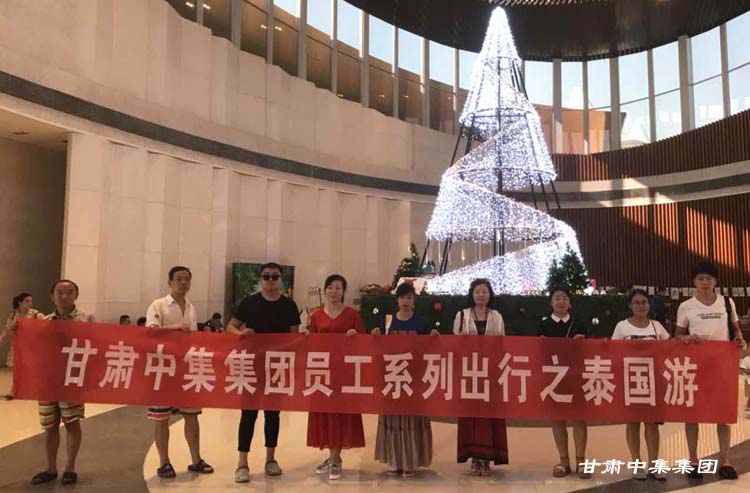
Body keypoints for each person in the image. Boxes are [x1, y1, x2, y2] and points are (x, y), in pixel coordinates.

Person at [226, 262, 300, 483]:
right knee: (248, 414)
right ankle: (242, 463)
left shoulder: (289, 305)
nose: (270, 280)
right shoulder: (249, 302)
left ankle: (270, 459)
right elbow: (230, 326)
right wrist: (240, 333)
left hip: (276, 367)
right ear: (260, 279)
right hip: (251, 366)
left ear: (281, 280)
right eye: (266, 276)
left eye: (274, 277)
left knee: (273, 414)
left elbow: (294, 337)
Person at [675, 261, 745, 480]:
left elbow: (736, 329)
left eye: (709, 278)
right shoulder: (686, 306)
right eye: (700, 278)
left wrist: (739, 338)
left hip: (722, 366)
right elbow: (677, 335)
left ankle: (725, 460)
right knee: (692, 414)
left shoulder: (727, 302)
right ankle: (693, 460)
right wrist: (687, 338)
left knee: (723, 414)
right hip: (695, 366)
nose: (705, 282)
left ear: (715, 281)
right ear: (694, 281)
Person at [145, 266, 214, 479]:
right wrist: (174, 328)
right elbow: (149, 332)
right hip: (163, 369)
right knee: (161, 418)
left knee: (191, 416)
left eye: (187, 279)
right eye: (178, 279)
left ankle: (196, 459)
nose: (183, 283)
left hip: (186, 369)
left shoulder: (191, 307)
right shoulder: (158, 305)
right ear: (170, 282)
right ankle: (164, 462)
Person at [31, 280, 95, 486]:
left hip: (72, 381)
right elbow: (33, 347)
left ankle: (70, 467)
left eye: (69, 292)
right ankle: (50, 468)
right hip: (47, 381)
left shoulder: (86, 319)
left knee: (71, 422)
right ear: (52, 296)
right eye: (60, 292)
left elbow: (96, 346)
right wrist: (19, 331)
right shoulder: (44, 321)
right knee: (50, 425)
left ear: (76, 296)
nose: (64, 296)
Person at [372, 282, 438, 476]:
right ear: (397, 300)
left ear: (414, 300)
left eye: (409, 297)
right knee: (392, 419)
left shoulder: (422, 323)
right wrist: (375, 337)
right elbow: (378, 349)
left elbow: (429, 350)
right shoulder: (387, 322)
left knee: (412, 419)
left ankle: (411, 461)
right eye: (402, 297)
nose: (405, 301)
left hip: (414, 378)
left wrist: (434, 338)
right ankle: (394, 460)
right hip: (392, 377)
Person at [303, 274, 365, 480]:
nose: (333, 291)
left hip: (344, 373)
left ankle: (336, 459)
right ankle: (332, 457)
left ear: (343, 291)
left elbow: (364, 342)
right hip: (323, 373)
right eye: (330, 287)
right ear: (325, 290)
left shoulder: (352, 315)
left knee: (341, 414)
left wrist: (356, 337)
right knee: (326, 414)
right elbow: (310, 344)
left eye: (338, 288)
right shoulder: (316, 316)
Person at [611, 289, 670, 480]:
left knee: (652, 424)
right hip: (630, 381)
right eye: (636, 302)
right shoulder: (622, 326)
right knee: (633, 422)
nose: (641, 306)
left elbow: (670, 348)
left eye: (644, 302)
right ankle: (636, 464)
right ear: (629, 305)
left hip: (653, 382)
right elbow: (613, 352)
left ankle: (654, 464)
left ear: (649, 304)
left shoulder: (657, 326)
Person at [453, 279, 508, 476]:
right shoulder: (462, 315)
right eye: (477, 291)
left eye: (485, 291)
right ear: (472, 294)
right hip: (469, 372)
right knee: (470, 414)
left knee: (489, 415)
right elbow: (455, 343)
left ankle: (487, 458)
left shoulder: (497, 316)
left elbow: (502, 343)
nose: (481, 295)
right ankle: (474, 457)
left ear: (490, 294)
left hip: (490, 372)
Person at [537, 287, 591, 479]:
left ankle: (581, 461)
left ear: (570, 303)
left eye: (564, 298)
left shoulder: (578, 323)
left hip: (575, 377)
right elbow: (537, 351)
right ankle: (564, 461)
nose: (561, 302)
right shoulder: (543, 325)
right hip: (553, 379)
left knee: (578, 418)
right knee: (557, 419)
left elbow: (588, 350)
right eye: (557, 298)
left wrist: (582, 341)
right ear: (551, 302)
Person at [0, 292, 43, 400]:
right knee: (17, 369)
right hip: (18, 345)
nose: (30, 303)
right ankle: (13, 390)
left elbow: (43, 327)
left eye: (30, 301)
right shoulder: (14, 314)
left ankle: (33, 389)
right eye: (27, 301)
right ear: (20, 302)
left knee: (31, 369)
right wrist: (3, 336)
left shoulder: (36, 314)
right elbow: (7, 327)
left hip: (31, 346)